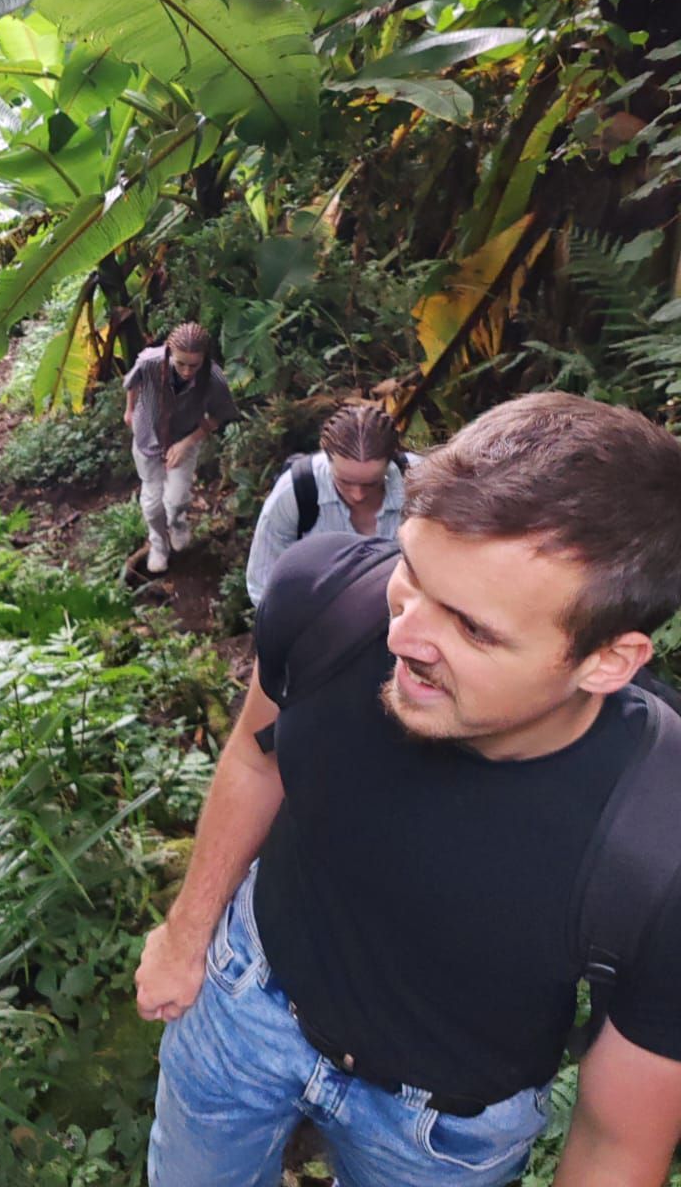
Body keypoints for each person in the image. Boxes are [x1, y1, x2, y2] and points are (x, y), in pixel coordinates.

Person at [136, 392, 681, 1187]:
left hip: (438, 1128)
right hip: (245, 1006)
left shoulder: (660, 839)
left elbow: (616, 1142)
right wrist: (187, 935)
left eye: (473, 629)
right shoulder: (327, 600)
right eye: (412, 573)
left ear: (607, 661)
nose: (401, 635)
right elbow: (260, 759)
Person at [245, 402, 417, 608]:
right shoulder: (296, 491)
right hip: (321, 617)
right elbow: (262, 583)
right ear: (327, 460)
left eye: (372, 483)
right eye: (345, 481)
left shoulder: (423, 482)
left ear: (390, 462)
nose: (358, 495)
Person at [123, 322, 237, 574]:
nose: (186, 371)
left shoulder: (213, 377)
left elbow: (220, 415)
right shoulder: (149, 362)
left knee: (175, 500)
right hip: (147, 439)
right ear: (169, 352)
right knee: (152, 505)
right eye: (181, 364)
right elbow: (131, 382)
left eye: (193, 365)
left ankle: (178, 523)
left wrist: (188, 443)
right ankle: (158, 545)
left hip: (185, 438)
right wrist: (129, 410)